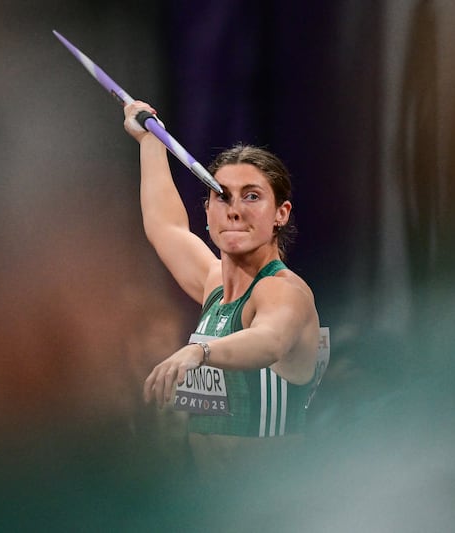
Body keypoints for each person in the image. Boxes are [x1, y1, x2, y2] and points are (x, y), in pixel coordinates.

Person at [123, 100, 321, 473]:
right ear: (208, 211)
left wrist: (200, 353)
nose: (234, 210)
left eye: (252, 196)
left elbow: (269, 341)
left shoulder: (282, 291)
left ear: (281, 213)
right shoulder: (214, 284)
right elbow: (166, 227)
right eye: (222, 195)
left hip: (270, 513)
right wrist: (149, 142)